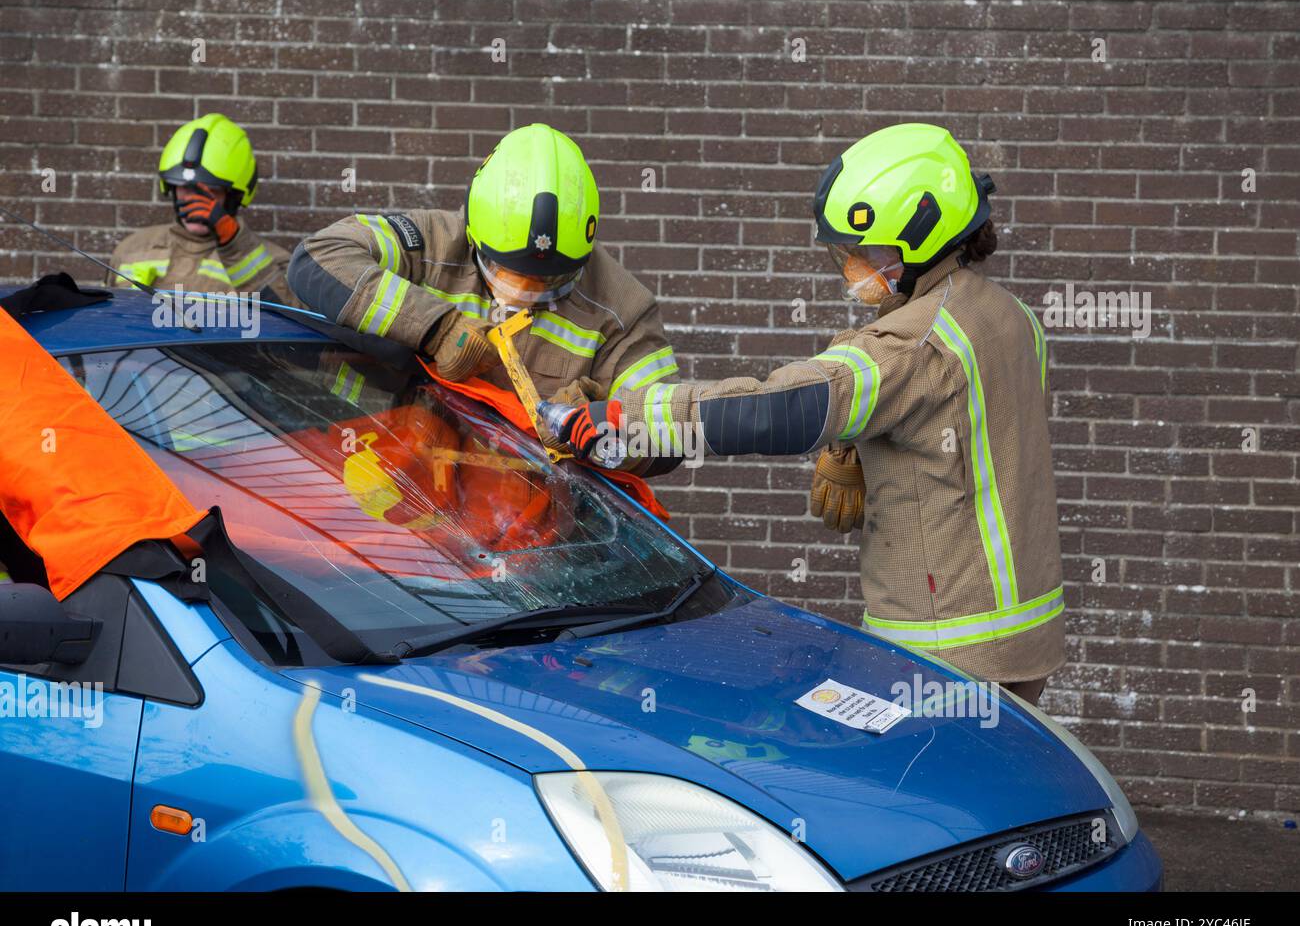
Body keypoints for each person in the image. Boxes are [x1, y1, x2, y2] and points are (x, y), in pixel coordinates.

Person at [553, 123, 1064, 705]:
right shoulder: (1009, 316)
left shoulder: (912, 343)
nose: (850, 265)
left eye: (864, 252)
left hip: (947, 649)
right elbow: (957, 427)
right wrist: (853, 444)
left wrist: (629, 417)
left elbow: (783, 406)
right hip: (1022, 635)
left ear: (923, 239)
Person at [286, 123, 680, 473]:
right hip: (377, 478)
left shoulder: (623, 310)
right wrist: (437, 329)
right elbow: (318, 259)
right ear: (475, 235)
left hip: (516, 528)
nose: (524, 295)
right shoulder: (431, 244)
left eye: (547, 281)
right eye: (508, 273)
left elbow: (666, 439)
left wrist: (596, 430)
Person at [109, 113, 300, 305]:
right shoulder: (131, 249)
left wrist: (236, 246)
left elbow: (292, 319)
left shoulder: (276, 263)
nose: (195, 200)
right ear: (172, 189)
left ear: (234, 196)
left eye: (211, 190)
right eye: (185, 187)